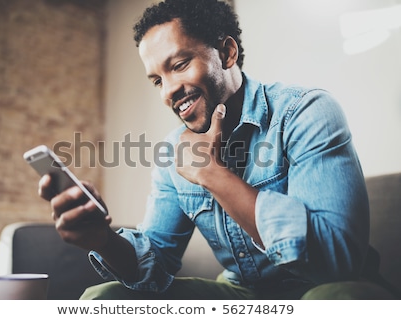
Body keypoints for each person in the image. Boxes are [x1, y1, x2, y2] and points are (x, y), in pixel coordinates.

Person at [38, 0, 394, 299]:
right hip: (244, 295)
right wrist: (101, 239)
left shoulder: (305, 112)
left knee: (330, 300)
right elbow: (155, 264)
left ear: (226, 52)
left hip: (328, 288)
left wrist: (214, 175)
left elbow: (337, 261)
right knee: (102, 298)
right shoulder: (173, 153)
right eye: (157, 80)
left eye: (179, 66)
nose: (167, 92)